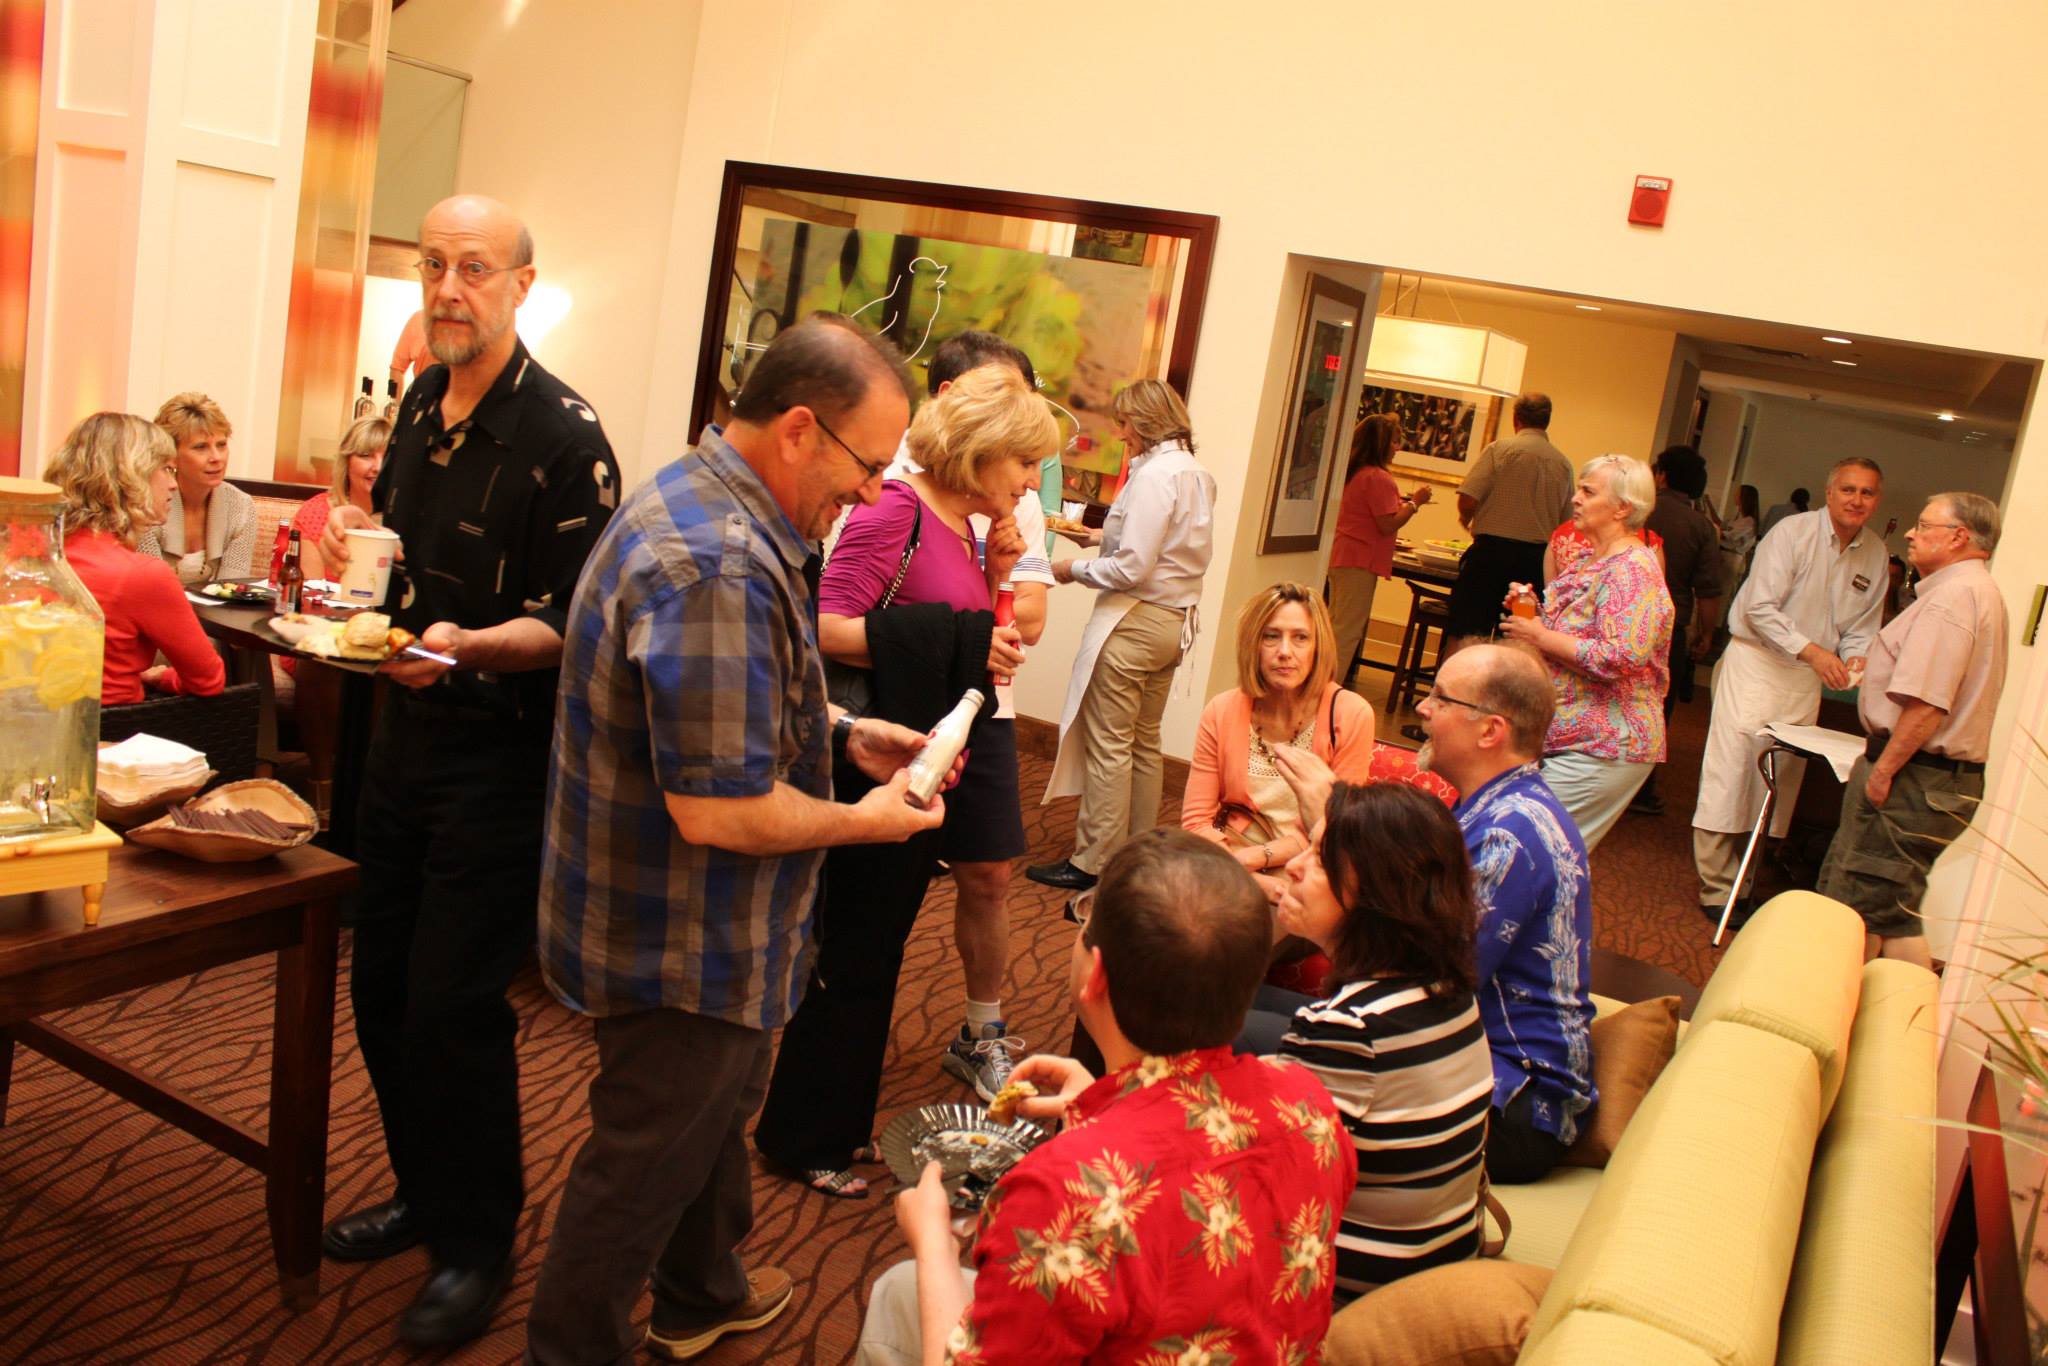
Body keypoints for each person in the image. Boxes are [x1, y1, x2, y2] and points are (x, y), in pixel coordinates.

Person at [525, 318, 950, 1365]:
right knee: (643, 1157)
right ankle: (569, 1347)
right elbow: (714, 808)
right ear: (801, 429)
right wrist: (864, 822)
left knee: (710, 1112)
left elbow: (728, 706)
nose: (868, 493)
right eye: (866, 464)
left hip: (685, 919)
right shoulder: (715, 562)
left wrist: (842, 734)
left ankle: (700, 1284)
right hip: (679, 935)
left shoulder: (713, 500)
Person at [313, 194, 621, 1348]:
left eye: (473, 269)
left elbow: (574, 624)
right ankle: (424, 1192)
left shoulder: (564, 436)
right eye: (433, 266)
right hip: (394, 745)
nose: (448, 288)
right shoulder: (415, 413)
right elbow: (395, 579)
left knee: (453, 1007)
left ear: (520, 285)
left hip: (495, 759)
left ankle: (478, 1240)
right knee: (379, 993)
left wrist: (464, 650)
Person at [856, 830, 1356, 1365]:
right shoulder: (1308, 1104)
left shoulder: (1064, 1191)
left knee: (900, 1288)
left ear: (1095, 975)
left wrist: (932, 1237)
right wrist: (1103, 1105)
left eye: (1083, 924)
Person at [752, 363, 1054, 1197]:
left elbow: (977, 647)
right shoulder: (896, 510)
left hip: (924, 757)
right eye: (1025, 463)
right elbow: (824, 625)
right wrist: (955, 632)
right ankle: (803, 1133)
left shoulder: (964, 527)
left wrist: (995, 581)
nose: (1033, 482)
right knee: (852, 953)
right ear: (985, 452)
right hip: (875, 752)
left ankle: (834, 1125)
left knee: (876, 951)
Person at [872, 330, 1059, 1101]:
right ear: (949, 400)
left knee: (988, 873)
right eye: (995, 398)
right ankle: (845, 1016)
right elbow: (841, 614)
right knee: (880, 876)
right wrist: (972, 626)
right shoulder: (888, 482)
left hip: (990, 710)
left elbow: (1032, 618)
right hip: (897, 710)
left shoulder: (1019, 497)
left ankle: (981, 1029)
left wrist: (996, 581)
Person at [1237, 782, 1496, 1294]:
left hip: (1357, 1293)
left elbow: (1267, 1195)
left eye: (1321, 858)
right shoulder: (1447, 990)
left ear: (1375, 895)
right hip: (1442, 1257)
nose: (1295, 866)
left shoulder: (1346, 1029)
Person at [1415, 644, 1596, 1181]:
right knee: (1263, 1016)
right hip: (1479, 1063)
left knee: (1263, 1046)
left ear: (1490, 731)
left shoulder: (1507, 834)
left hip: (1515, 1106)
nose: (1423, 708)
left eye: (1439, 698)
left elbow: (1433, 980)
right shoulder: (1498, 803)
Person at [1028, 379, 1215, 892]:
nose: (1121, 431)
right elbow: (1159, 544)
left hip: (1135, 620)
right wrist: (1090, 535)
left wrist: (1072, 569)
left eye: (1126, 422)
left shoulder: (1155, 475)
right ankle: (1139, 852)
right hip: (1173, 622)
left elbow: (1131, 566)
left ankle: (1094, 861)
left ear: (1149, 421)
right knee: (1143, 743)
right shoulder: (1195, 473)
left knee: (1109, 743)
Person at [1691, 458, 1886, 923]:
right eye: (1848, 489)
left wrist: (1857, 655)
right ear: (1829, 491)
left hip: (1805, 680)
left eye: (1867, 493)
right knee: (1733, 771)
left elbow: (1862, 626)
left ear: (1877, 500)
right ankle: (1716, 886)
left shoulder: (1875, 553)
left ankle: (1747, 881)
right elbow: (1759, 608)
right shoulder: (1793, 534)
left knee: (1777, 784)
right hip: (1757, 665)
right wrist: (1815, 652)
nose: (1857, 500)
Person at [1817, 493, 2007, 970]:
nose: (1910, 534)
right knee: (1892, 913)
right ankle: (1906, 1030)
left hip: (1916, 776)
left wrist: (1884, 771)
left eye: (1924, 525)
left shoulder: (1954, 598)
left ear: (1959, 537)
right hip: (1934, 778)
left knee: (1856, 912)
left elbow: (1927, 704)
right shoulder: (1974, 591)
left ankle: (1836, 1025)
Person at [1497, 455, 1673, 853]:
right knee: (1535, 854)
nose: (1575, 498)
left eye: (1588, 491)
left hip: (1605, 744)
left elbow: (1619, 656)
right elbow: (1576, 632)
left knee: (1530, 852)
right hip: (1574, 738)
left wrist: (1538, 635)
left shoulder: (1632, 570)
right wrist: (1531, 610)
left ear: (1623, 507)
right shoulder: (1594, 559)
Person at [1181, 582, 1378, 904]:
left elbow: (1337, 825)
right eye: (1271, 636)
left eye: (1300, 638)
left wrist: (1258, 859)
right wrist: (1252, 877)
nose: (1285, 651)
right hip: (1230, 853)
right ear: (1253, 645)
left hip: (1311, 860)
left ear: (1318, 647)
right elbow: (1196, 819)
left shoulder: (1351, 713)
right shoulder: (1222, 710)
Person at [41, 412, 225, 704]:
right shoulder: (141, 574)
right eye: (166, 469)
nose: (173, 485)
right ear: (130, 478)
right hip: (115, 735)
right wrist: (162, 677)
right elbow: (208, 679)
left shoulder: (38, 552)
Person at [1627, 446, 1727, 815]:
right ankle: (1641, 789)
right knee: (1655, 711)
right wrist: (1707, 634)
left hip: (1623, 620)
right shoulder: (1701, 527)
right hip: (1668, 630)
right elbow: (1709, 590)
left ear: (1663, 475)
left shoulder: (1638, 511)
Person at [1446, 392, 1571, 648]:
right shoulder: (1563, 464)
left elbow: (1468, 497)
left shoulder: (1499, 450)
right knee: (1519, 639)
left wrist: (1466, 519)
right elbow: (1565, 522)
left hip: (1490, 556)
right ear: (1547, 421)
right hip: (1533, 565)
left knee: (1466, 632)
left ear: (1516, 419)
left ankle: (1453, 686)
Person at [1328, 413, 1433, 682]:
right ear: (1382, 444)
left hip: (1343, 553)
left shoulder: (1355, 472)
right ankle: (1329, 690)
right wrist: (1415, 503)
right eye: (1395, 442)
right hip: (1360, 559)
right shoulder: (1378, 477)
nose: (1397, 448)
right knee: (1347, 630)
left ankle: (1322, 685)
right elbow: (1388, 524)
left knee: (1336, 624)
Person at [134, 392, 256, 586]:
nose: (217, 457)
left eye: (222, 445)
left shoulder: (241, 506)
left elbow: (231, 589)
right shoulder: (148, 503)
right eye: (201, 447)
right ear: (171, 454)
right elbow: (151, 588)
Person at [294, 415, 389, 582]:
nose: (378, 467)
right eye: (366, 455)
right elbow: (310, 595)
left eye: (387, 457)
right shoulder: (314, 514)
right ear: (347, 462)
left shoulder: (406, 519)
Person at [1717, 482, 1761, 580]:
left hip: (1731, 558)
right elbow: (1721, 525)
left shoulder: (1749, 521)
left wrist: (1711, 530)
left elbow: (1728, 536)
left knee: (1723, 591)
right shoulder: (1738, 516)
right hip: (1725, 555)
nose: (1734, 495)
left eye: (1737, 493)